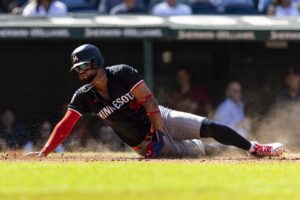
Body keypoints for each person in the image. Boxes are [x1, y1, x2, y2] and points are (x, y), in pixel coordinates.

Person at [27, 44, 283, 159]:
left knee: (210, 128)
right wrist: (45, 151)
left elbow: (149, 102)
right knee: (200, 150)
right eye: (78, 69)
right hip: (143, 143)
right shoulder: (84, 96)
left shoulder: (122, 73)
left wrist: (159, 131)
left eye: (84, 66)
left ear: (97, 62)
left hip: (161, 118)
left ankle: (253, 148)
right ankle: (230, 152)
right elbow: (65, 125)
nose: (81, 72)